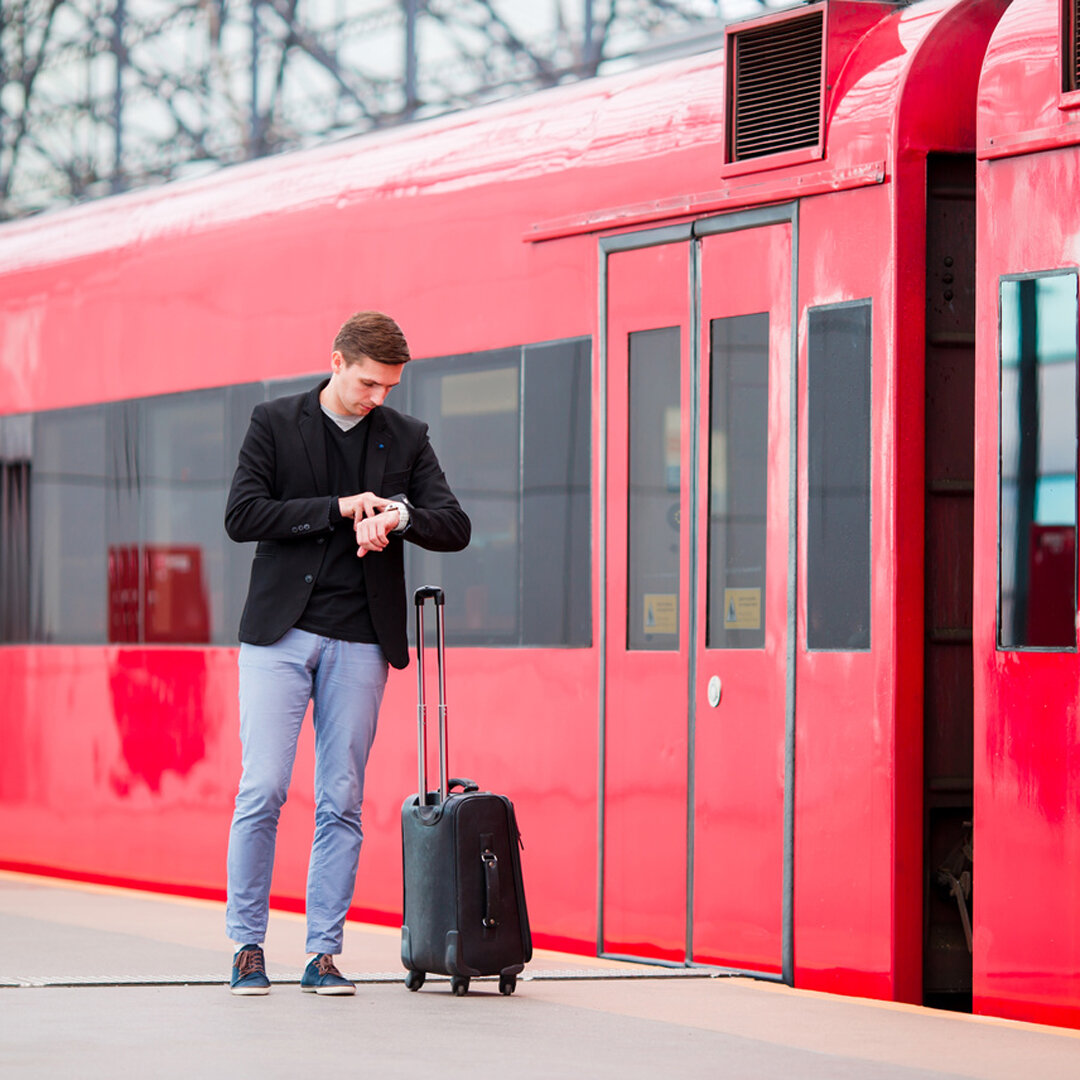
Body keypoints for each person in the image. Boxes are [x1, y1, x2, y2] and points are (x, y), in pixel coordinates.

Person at [223, 311, 470, 996]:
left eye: (389, 387)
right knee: (263, 788)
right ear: (336, 362)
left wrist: (400, 515)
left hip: (361, 636)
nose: (378, 399)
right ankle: (247, 946)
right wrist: (337, 508)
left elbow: (455, 525)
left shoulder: (407, 438)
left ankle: (322, 954)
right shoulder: (274, 422)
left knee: (341, 798)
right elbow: (242, 515)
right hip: (279, 634)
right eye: (368, 383)